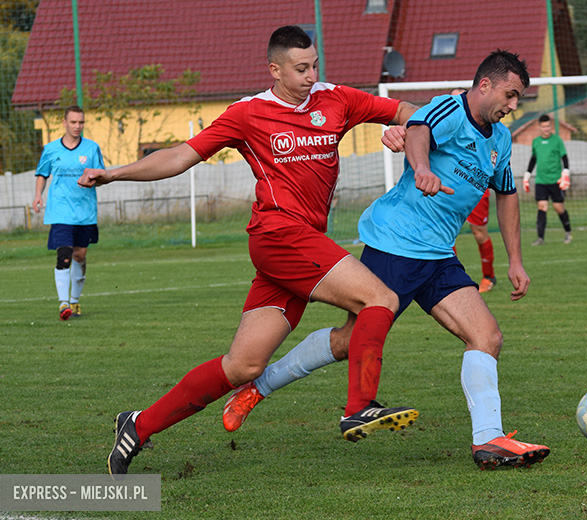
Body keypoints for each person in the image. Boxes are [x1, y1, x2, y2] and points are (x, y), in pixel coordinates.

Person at [78, 25, 420, 477]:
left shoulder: (336, 98)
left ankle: (138, 425)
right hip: (279, 236)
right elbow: (182, 156)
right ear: (274, 70)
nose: (310, 75)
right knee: (381, 299)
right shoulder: (249, 113)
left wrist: (406, 131)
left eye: (315, 65)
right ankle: (360, 406)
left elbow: (407, 110)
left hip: (299, 248)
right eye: (300, 68)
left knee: (243, 366)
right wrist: (117, 173)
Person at [224, 50, 551, 470]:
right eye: (509, 94)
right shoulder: (451, 108)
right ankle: (257, 388)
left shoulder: (501, 140)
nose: (512, 105)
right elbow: (416, 128)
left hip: (438, 255)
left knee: (486, 336)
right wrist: (420, 168)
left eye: (518, 98)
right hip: (395, 243)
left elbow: (506, 196)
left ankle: (488, 441)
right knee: (347, 341)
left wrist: (516, 261)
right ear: (484, 85)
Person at [32, 105, 104, 321]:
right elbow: (42, 174)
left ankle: (74, 299)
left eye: (81, 122)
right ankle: (64, 304)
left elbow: (101, 177)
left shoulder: (92, 148)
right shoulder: (51, 149)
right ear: (64, 123)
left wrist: (92, 180)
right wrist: (38, 195)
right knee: (64, 255)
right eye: (73, 122)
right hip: (60, 212)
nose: (77, 126)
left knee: (79, 255)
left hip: (85, 213)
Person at [449, 88, 497, 294]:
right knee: (446, 235)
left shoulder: (486, 129)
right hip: (450, 190)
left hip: (476, 190)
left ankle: (489, 275)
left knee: (479, 233)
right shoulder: (445, 127)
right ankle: (451, 279)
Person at [523, 114, 572, 246]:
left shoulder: (557, 140)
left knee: (558, 208)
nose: (546, 128)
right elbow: (533, 159)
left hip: (555, 180)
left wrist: (565, 173)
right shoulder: (536, 142)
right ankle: (540, 238)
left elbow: (564, 157)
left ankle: (568, 231)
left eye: (548, 126)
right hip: (541, 180)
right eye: (543, 126)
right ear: (540, 127)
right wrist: (527, 175)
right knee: (542, 206)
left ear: (551, 126)